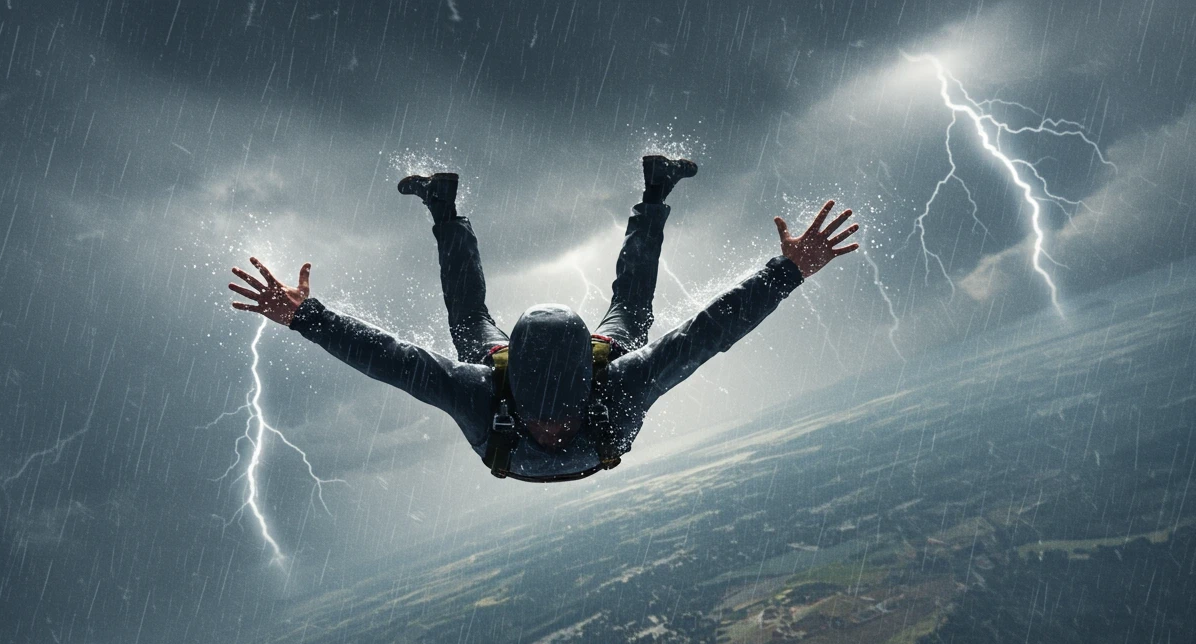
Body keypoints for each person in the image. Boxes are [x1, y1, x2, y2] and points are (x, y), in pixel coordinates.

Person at [228, 156, 859, 483]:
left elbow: (394, 362)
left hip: (535, 403)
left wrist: (307, 317)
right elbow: (707, 334)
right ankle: (654, 190)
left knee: (473, 322)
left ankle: (445, 208)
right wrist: (787, 272)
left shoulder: (484, 393)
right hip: (583, 396)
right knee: (631, 314)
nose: (552, 429)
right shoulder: (618, 389)